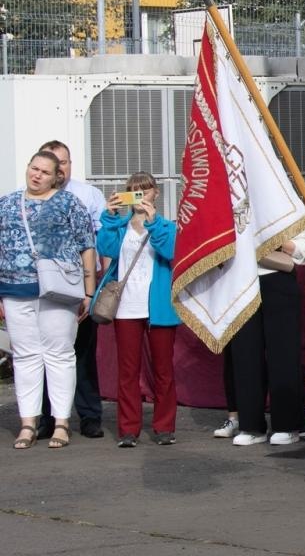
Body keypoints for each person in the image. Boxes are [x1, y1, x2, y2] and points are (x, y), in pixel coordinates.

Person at [1, 150, 96, 449]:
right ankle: (28, 423)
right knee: (26, 356)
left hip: (60, 289)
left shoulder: (69, 202)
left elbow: (86, 245)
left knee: (59, 355)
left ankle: (61, 423)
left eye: (44, 171)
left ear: (56, 176)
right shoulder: (6, 204)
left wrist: (89, 289)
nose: (36, 174)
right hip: (15, 289)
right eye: (33, 168)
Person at [93, 172, 178, 447]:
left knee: (163, 370)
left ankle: (164, 427)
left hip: (158, 307)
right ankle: (128, 430)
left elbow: (170, 252)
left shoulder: (165, 226)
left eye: (145, 190)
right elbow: (105, 249)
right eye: (134, 191)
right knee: (128, 371)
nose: (140, 196)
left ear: (156, 193)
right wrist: (109, 217)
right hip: (126, 307)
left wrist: (152, 223)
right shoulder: (120, 227)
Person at [39, 140, 108, 439]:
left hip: (82, 282)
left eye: (64, 162)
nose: (60, 168)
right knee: (45, 353)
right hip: (43, 286)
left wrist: (99, 284)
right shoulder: (32, 197)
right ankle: (46, 418)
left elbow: (99, 240)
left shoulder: (88, 194)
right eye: (54, 162)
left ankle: (89, 416)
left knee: (82, 352)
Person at [226, 224, 305, 447]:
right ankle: (251, 425)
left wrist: (272, 242)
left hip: (278, 278)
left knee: (282, 355)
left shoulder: (285, 204)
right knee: (245, 355)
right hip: (241, 281)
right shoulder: (235, 202)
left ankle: (288, 424)